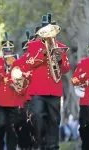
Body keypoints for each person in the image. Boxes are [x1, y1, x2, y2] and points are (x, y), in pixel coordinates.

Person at [25, 14, 70, 149]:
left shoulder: (61, 47)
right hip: (38, 90)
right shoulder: (33, 46)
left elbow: (66, 68)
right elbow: (29, 64)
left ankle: (53, 146)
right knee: (38, 117)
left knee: (54, 120)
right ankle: (40, 143)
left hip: (54, 90)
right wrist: (44, 53)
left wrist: (60, 58)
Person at [0, 32, 20, 150]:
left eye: (10, 50)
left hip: (13, 100)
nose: (8, 53)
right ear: (3, 52)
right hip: (1, 101)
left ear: (13, 51)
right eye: (6, 51)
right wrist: (2, 71)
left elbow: (22, 79)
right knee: (1, 126)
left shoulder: (18, 63)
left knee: (12, 129)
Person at [71, 42, 89, 150]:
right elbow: (74, 80)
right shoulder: (84, 63)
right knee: (86, 133)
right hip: (87, 103)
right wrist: (85, 78)